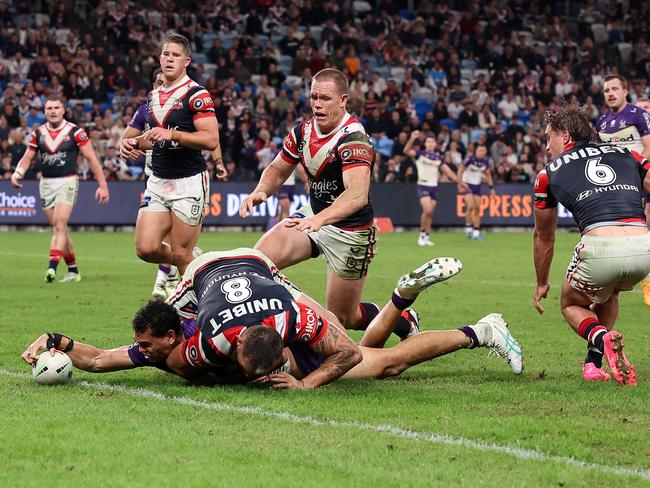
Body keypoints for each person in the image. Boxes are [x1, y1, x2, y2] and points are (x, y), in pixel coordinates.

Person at [22, 253, 524, 388]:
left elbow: (344, 354)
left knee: (372, 359)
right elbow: (110, 357)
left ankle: (478, 329)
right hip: (210, 272)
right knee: (366, 352)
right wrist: (58, 340)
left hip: (265, 274)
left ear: (282, 346)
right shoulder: (195, 340)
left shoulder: (295, 313)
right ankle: (409, 305)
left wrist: (307, 386)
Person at [239, 68, 416, 341]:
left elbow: (356, 195)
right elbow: (276, 170)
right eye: (314, 97)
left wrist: (319, 220)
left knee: (345, 317)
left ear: (343, 100)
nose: (317, 104)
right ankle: (255, 336)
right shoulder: (302, 132)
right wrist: (261, 190)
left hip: (350, 232)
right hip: (313, 217)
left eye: (325, 98)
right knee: (254, 264)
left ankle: (402, 320)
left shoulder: (354, 138)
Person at [533, 105, 650, 386]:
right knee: (608, 293)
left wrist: (541, 283)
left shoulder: (547, 174)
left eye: (549, 138)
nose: (547, 147)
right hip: (644, 248)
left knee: (571, 303)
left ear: (565, 134)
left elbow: (544, 237)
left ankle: (601, 337)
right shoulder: (628, 153)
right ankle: (593, 364)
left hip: (599, 247)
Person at [119, 33, 219, 275]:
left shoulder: (197, 94)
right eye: (166, 54)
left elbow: (210, 139)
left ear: (187, 61)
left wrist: (173, 135)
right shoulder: (152, 97)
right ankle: (197, 261)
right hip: (158, 181)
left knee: (180, 254)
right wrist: (133, 143)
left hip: (188, 182)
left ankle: (192, 310)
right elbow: (156, 139)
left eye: (176, 55)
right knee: (145, 248)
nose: (169, 59)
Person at [11, 95, 109, 283]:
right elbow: (27, 157)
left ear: (63, 110)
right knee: (59, 228)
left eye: (56, 108)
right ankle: (73, 270)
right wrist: (17, 173)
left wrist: (103, 186)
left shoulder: (75, 132)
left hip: (68, 181)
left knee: (59, 223)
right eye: (49, 108)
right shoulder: (38, 133)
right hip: (46, 184)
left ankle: (52, 267)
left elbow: (92, 159)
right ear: (44, 111)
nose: (53, 111)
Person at [404, 130, 467, 246]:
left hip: (434, 187)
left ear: (435, 144)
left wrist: (460, 182)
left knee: (429, 213)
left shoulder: (438, 157)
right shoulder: (420, 154)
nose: (430, 143)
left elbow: (448, 171)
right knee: (427, 210)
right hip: (423, 185)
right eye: (428, 141)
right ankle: (422, 235)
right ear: (425, 144)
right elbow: (406, 151)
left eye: (432, 141)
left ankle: (426, 236)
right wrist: (412, 138)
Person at [457, 144, 495, 240]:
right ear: (476, 151)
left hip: (477, 186)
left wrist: (491, 188)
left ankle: (476, 232)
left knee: (477, 208)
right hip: (467, 184)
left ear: (485, 152)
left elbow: (488, 174)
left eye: (483, 151)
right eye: (479, 150)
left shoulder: (485, 162)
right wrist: (460, 183)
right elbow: (461, 169)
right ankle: (469, 228)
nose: (481, 152)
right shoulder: (470, 159)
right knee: (470, 206)